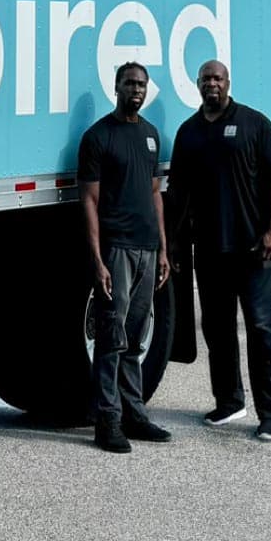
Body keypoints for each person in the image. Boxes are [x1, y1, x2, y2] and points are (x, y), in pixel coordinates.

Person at [166, 59, 271, 442]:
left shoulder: (255, 124)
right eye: (205, 79)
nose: (211, 84)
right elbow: (180, 193)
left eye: (217, 78)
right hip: (209, 250)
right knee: (217, 329)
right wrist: (170, 242)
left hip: (253, 249)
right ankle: (230, 402)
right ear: (198, 85)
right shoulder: (188, 133)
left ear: (228, 82)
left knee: (261, 328)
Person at [77, 61, 172, 454]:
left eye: (142, 84)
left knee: (134, 339)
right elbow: (89, 200)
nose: (136, 89)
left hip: (148, 249)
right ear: (115, 87)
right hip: (116, 249)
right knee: (111, 339)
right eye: (129, 83)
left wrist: (164, 248)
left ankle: (135, 414)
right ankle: (107, 421)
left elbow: (154, 194)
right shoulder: (98, 137)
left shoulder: (150, 136)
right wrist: (97, 260)